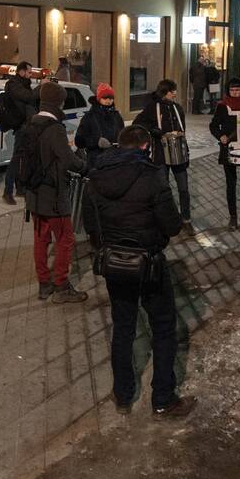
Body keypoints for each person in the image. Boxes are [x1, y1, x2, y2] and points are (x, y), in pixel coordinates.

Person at [82, 125, 195, 418]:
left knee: (122, 327)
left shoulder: (94, 178)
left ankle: (123, 394)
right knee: (163, 328)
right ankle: (163, 398)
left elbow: (91, 227)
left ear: (119, 146)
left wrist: (109, 245)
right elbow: (171, 225)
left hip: (115, 265)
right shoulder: (153, 177)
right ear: (145, 147)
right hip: (150, 264)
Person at [24, 81, 87, 303]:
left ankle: (44, 284)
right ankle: (61, 285)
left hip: (33, 194)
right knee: (65, 238)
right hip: (53, 195)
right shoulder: (55, 129)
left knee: (40, 239)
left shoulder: (31, 123)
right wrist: (84, 166)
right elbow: (68, 160)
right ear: (59, 102)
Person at [134, 80, 194, 235]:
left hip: (178, 154)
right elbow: (138, 123)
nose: (175, 93)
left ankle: (186, 219)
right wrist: (154, 131)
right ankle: (166, 221)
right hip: (161, 154)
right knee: (163, 190)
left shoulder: (178, 108)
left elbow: (183, 132)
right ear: (164, 92)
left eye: (174, 90)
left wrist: (185, 151)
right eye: (172, 91)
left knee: (184, 189)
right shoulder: (153, 107)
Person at [210, 78, 240, 229]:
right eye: (232, 90)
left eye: (237, 90)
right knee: (231, 185)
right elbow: (213, 126)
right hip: (229, 150)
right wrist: (221, 136)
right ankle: (233, 216)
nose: (235, 93)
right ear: (228, 91)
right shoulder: (222, 106)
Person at [2, 62, 39, 205]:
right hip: (21, 126)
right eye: (29, 72)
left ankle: (20, 188)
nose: (31, 75)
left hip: (28, 125)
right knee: (16, 159)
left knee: (25, 158)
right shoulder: (14, 84)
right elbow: (29, 97)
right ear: (22, 72)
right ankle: (7, 191)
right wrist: (42, 87)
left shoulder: (24, 83)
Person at [75, 83, 124, 167]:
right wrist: (96, 141)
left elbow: (123, 134)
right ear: (99, 98)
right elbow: (79, 141)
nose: (108, 101)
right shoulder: (89, 117)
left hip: (115, 160)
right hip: (96, 162)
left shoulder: (116, 116)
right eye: (105, 98)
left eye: (111, 98)